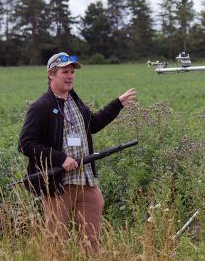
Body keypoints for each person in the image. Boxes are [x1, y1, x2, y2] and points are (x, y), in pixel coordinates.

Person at [18, 52, 136, 253]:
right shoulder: (41, 106)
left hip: (86, 180)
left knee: (91, 242)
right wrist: (60, 158)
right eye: (65, 72)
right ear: (51, 74)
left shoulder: (75, 101)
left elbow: (94, 124)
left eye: (72, 72)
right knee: (56, 242)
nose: (70, 76)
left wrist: (117, 104)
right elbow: (25, 144)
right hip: (58, 184)